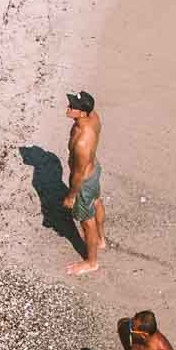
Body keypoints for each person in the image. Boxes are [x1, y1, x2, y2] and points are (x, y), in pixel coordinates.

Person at [64, 88, 104, 275]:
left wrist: (71, 196)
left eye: (72, 106)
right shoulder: (92, 116)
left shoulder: (82, 143)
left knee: (87, 222)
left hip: (84, 181)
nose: (68, 107)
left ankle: (92, 261)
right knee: (96, 201)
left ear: (82, 113)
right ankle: (101, 240)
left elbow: (78, 175)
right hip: (94, 170)